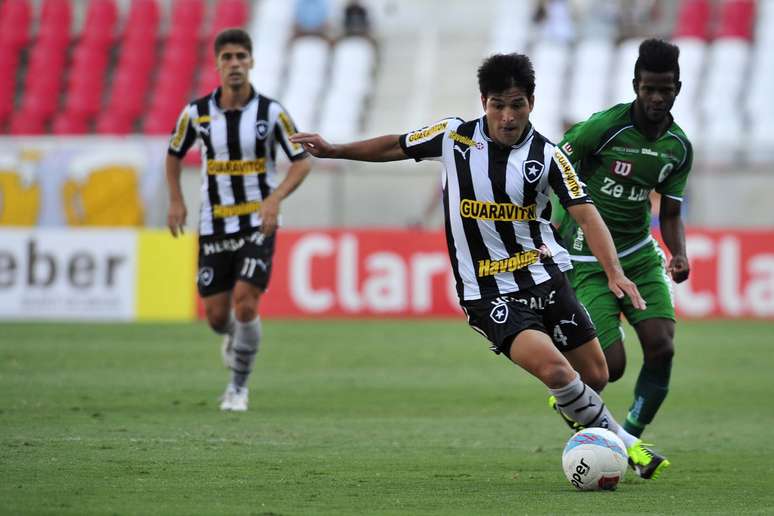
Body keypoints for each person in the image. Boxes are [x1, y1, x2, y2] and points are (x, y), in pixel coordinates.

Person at [291, 53, 669, 479]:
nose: (507, 117)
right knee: (558, 371)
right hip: (488, 292)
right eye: (497, 105)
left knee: (595, 375)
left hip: (546, 278)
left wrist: (615, 271)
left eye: (517, 105)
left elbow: (585, 213)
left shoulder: (548, 155)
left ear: (532, 102)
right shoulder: (455, 136)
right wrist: (335, 149)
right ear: (483, 101)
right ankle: (628, 445)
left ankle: (573, 400)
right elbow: (396, 145)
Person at [551, 39, 691, 441]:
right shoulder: (605, 127)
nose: (657, 97)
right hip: (585, 259)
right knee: (610, 368)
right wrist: (556, 222)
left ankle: (629, 435)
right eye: (649, 88)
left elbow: (671, 210)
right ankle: (568, 388)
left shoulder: (678, 148)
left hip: (639, 254)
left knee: (662, 346)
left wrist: (678, 253)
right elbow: (556, 166)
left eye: (665, 89)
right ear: (635, 85)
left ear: (677, 88)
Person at [166, 28, 311, 412]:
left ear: (252, 62)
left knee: (246, 304)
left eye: (240, 57)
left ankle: (237, 388)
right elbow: (173, 153)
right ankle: (234, 337)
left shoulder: (272, 113)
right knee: (216, 317)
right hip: (213, 225)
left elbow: (302, 162)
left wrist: (274, 199)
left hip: (256, 224)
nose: (234, 64)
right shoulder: (196, 113)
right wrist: (176, 200)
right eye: (227, 57)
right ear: (217, 64)